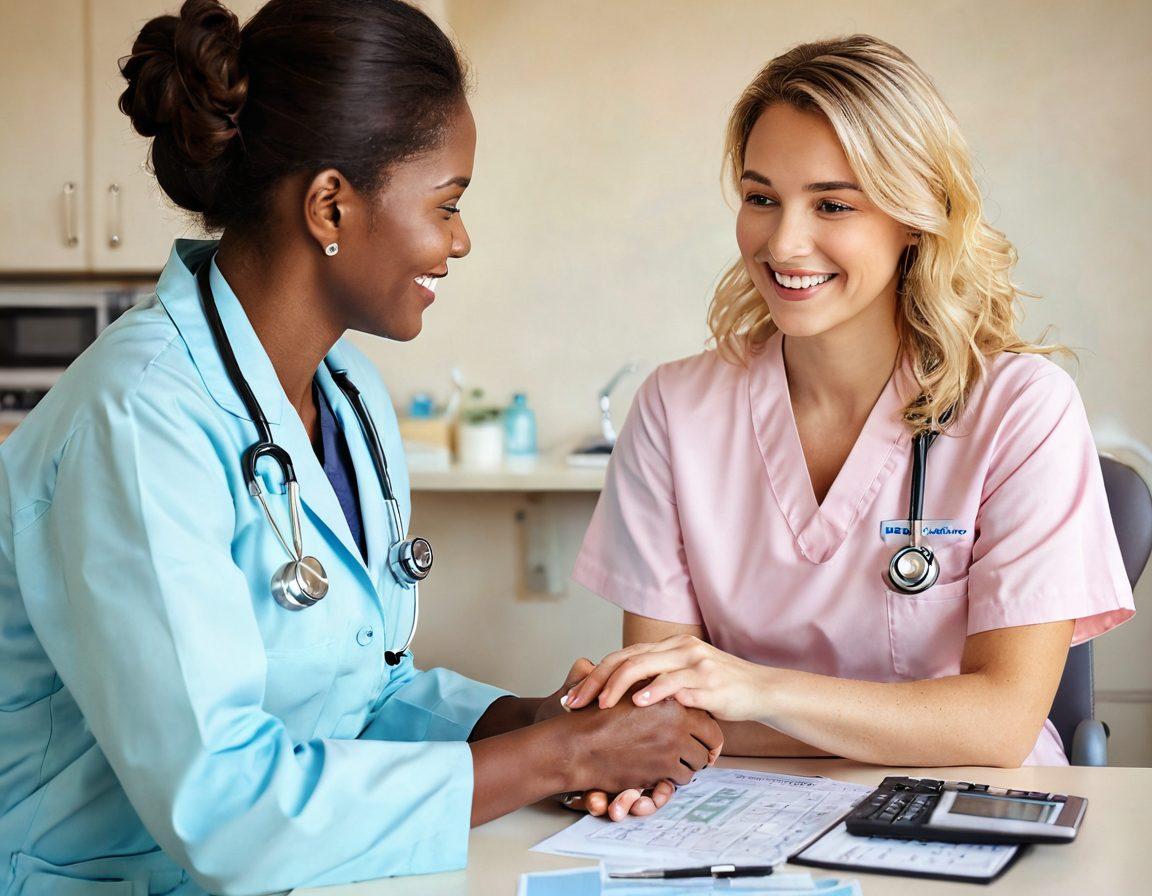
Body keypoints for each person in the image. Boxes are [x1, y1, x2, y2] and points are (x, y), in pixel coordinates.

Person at [0, 2, 722, 893]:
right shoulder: (141, 419)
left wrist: (532, 721)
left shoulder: (348, 395)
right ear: (330, 204)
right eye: (447, 205)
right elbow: (225, 810)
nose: (459, 240)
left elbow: (360, 698)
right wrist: (560, 759)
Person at [564, 34, 1135, 821]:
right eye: (761, 197)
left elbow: (1001, 722)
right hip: (735, 811)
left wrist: (753, 692)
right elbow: (661, 715)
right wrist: (649, 734)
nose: (783, 243)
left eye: (832, 204)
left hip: (971, 809)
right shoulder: (675, 408)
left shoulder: (1021, 409)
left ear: (916, 218)